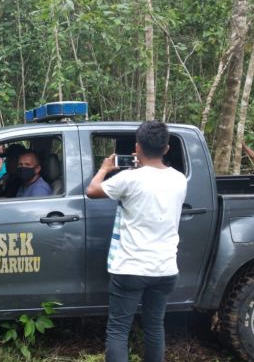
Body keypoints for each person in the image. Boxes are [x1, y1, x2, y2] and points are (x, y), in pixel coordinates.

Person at [85, 120, 187, 362]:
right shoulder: (179, 179)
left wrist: (104, 168)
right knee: (154, 327)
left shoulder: (129, 179)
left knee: (119, 330)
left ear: (137, 147)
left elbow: (92, 190)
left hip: (131, 267)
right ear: (166, 149)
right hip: (165, 269)